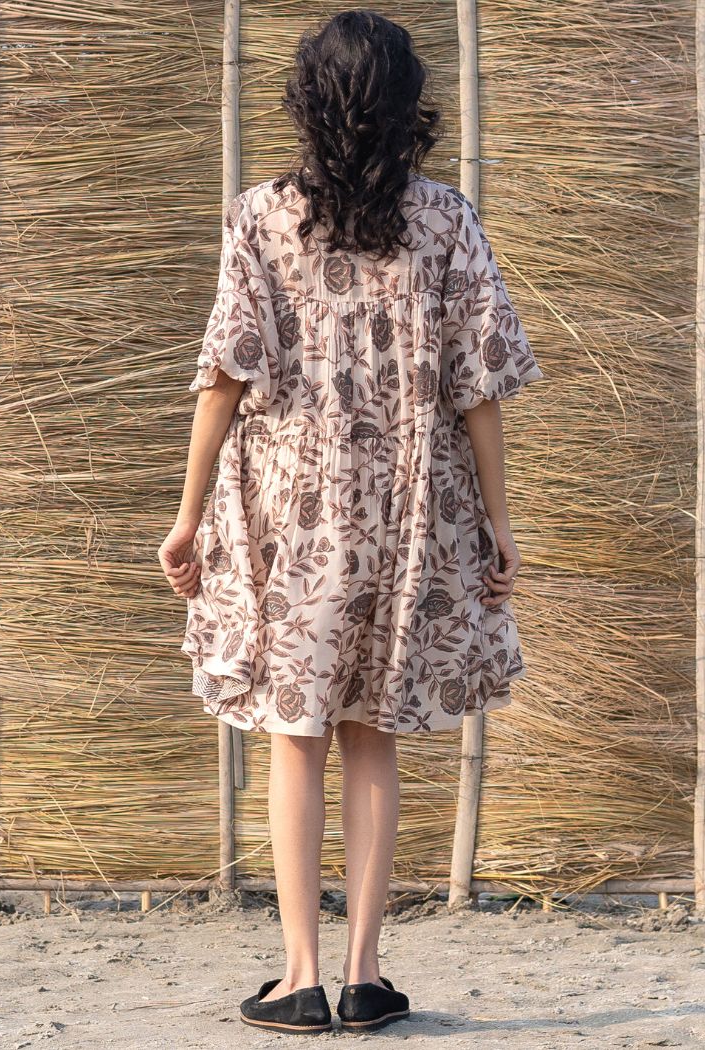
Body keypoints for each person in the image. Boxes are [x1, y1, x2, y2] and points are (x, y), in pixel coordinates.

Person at [157, 9, 545, 1036]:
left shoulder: (258, 218)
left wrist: (187, 516)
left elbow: (224, 373)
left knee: (297, 737)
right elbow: (480, 386)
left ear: (307, 102)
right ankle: (366, 977)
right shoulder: (447, 219)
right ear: (408, 104)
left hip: (292, 515)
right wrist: (499, 520)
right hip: (409, 510)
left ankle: (300, 977)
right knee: (373, 737)